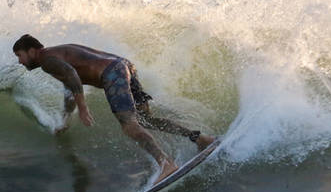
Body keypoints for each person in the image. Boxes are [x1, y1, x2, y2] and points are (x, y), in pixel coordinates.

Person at [12, 34, 215, 183]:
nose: (20, 61)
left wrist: (83, 108)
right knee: (146, 120)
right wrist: (65, 118)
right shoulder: (57, 55)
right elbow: (69, 86)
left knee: (129, 126)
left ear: (32, 50)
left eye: (19, 55)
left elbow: (73, 76)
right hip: (124, 65)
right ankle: (201, 138)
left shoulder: (47, 60)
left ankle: (165, 164)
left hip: (112, 73)